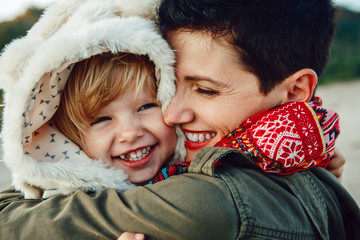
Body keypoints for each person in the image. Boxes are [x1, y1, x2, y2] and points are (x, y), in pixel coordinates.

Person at [0, 0, 359, 240]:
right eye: (171, 85)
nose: (171, 114)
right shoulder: (305, 157)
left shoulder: (211, 203)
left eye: (204, 90)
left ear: (296, 91)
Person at [0, 0, 185, 199]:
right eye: (102, 119)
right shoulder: (60, 203)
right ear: (69, 138)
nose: (130, 133)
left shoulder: (202, 168)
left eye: (146, 106)